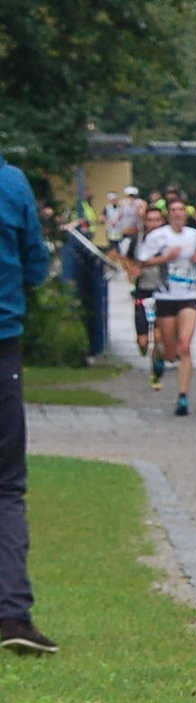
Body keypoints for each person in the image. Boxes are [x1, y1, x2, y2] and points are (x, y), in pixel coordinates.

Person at [0, 153, 55, 655]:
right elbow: (36, 264)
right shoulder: (11, 183)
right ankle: (12, 614)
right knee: (6, 488)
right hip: (2, 348)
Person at [135, 199, 196, 416]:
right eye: (174, 210)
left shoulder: (193, 235)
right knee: (170, 350)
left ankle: (183, 397)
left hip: (188, 296)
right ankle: (159, 358)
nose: (178, 214)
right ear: (169, 215)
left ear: (185, 214)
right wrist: (166, 258)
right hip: (165, 295)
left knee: (185, 347)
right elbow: (142, 261)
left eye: (181, 210)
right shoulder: (158, 236)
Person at [124, 204, 167, 370]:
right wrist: (132, 271)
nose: (154, 224)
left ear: (162, 221)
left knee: (158, 335)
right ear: (145, 222)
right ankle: (145, 348)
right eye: (150, 220)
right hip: (143, 291)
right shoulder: (138, 240)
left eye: (157, 220)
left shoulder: (168, 240)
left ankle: (157, 363)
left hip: (163, 291)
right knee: (143, 341)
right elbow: (127, 258)